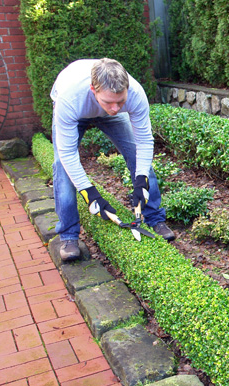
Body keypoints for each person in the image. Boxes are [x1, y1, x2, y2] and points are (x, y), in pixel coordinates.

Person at [51, 58, 175, 261]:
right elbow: (67, 153)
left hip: (97, 105)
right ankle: (69, 236)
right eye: (109, 102)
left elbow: (144, 140)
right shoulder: (69, 98)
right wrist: (89, 193)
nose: (116, 108)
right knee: (61, 167)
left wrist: (141, 179)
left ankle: (155, 218)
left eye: (121, 101)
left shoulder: (135, 93)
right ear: (93, 89)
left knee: (136, 153)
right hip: (76, 111)